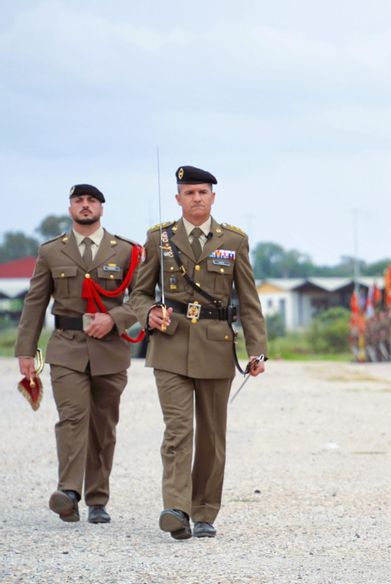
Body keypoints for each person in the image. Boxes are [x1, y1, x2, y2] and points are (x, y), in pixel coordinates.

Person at [129, 166, 267, 540]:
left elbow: (250, 302)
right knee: (178, 430)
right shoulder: (159, 238)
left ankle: (204, 511)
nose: (196, 198)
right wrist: (148, 312)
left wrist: (258, 351)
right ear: (178, 198)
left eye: (203, 192)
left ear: (213, 197)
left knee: (211, 434)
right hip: (169, 344)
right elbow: (138, 294)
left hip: (216, 347)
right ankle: (176, 508)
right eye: (189, 193)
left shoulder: (234, 241)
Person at [15, 184, 141, 524]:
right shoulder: (52, 251)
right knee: (72, 418)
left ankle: (98, 499)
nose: (85, 206)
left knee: (103, 425)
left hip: (110, 350)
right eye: (78, 201)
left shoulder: (126, 251)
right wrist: (26, 350)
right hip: (67, 346)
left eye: (91, 201)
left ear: (102, 207)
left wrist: (114, 319)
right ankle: (69, 491)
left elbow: (141, 298)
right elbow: (35, 302)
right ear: (70, 207)